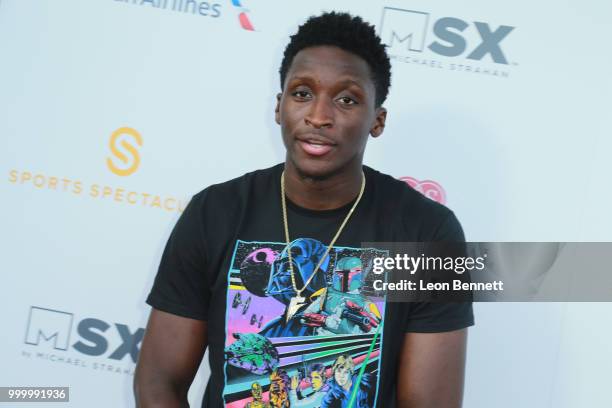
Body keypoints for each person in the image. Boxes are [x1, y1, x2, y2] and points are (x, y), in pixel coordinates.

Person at [134, 11, 473, 408]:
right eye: (302, 93)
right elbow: (159, 382)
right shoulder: (215, 211)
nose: (318, 116)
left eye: (346, 100)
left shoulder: (428, 233)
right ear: (279, 107)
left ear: (377, 120)